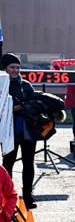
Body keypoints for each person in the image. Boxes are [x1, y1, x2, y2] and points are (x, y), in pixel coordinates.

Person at [1, 53, 38, 208]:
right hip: (9, 131)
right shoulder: (2, 84)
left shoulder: (26, 85)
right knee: (7, 164)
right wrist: (12, 108)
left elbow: (35, 102)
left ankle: (28, 196)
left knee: (28, 163)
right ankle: (7, 198)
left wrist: (27, 106)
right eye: (12, 67)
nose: (15, 71)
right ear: (4, 68)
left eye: (18, 67)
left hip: (28, 130)